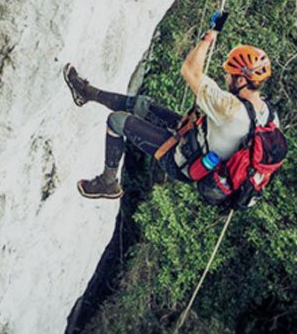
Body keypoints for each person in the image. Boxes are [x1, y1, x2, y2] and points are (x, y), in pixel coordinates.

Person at [65, 11, 274, 199]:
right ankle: (86, 93)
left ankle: (108, 182)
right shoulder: (268, 114)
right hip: (194, 137)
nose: (227, 78)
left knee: (117, 121)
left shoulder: (231, 108)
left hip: (183, 159)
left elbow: (190, 71)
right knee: (142, 105)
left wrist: (210, 35)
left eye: (230, 75)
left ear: (241, 81)